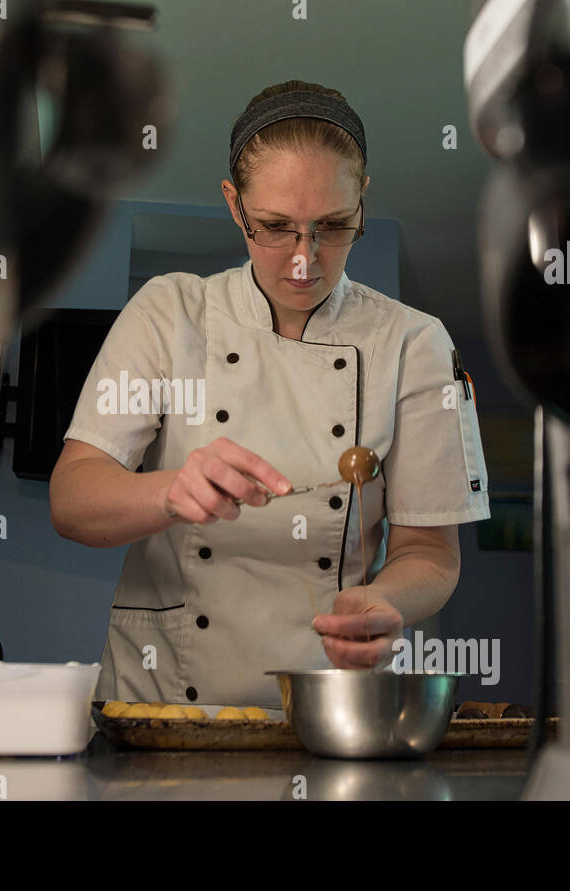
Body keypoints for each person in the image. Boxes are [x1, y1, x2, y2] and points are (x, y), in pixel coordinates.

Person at [49, 80, 490, 708]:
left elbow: (429, 552)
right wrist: (170, 491)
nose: (304, 261)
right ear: (234, 206)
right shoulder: (170, 311)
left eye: (332, 228)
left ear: (362, 203)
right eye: (276, 228)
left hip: (324, 705)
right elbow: (71, 499)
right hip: (162, 705)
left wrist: (384, 601)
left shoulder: (413, 343)